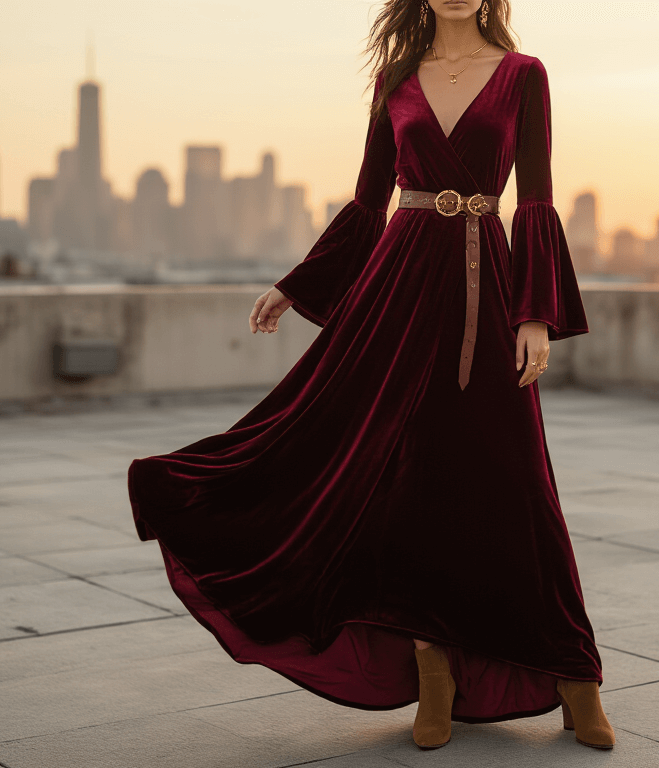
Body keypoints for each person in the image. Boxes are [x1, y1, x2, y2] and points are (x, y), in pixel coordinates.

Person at [127, 0, 614, 751]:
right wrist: (295, 285)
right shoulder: (396, 77)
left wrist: (535, 314)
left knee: (512, 479)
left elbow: (538, 197)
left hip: (486, 296)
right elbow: (367, 199)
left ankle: (575, 676)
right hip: (398, 293)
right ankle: (433, 674)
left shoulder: (524, 76)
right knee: (399, 485)